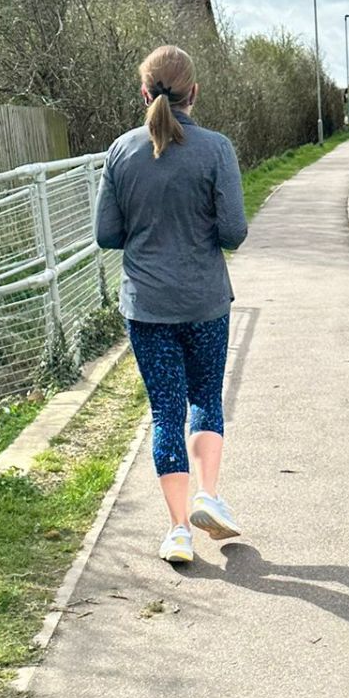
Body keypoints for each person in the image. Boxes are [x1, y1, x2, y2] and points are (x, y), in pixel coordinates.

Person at [95, 44, 249, 567]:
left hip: (147, 305)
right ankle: (209, 494)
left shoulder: (121, 152)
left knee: (165, 410)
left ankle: (179, 530)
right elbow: (233, 233)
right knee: (206, 395)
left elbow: (106, 234)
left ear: (144, 93)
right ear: (194, 93)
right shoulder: (217, 150)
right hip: (205, 300)